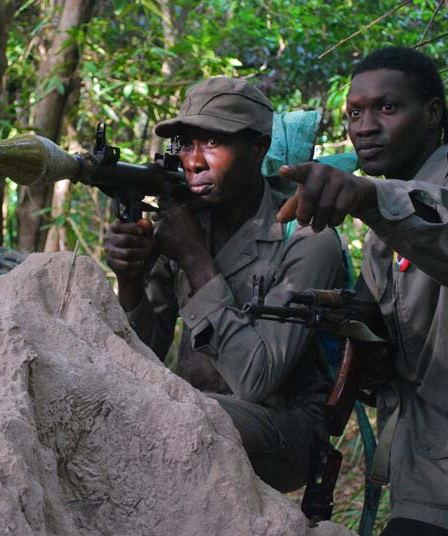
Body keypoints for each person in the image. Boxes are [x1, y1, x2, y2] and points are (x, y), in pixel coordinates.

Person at [277, 47, 448, 535]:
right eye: (355, 112)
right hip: (426, 478)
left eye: (387, 108)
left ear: (433, 114)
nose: (365, 126)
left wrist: (369, 196)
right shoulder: (385, 230)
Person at [104, 76, 346, 491]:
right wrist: (130, 281)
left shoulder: (306, 237)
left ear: (259, 148)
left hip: (285, 429)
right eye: (184, 144)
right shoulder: (183, 221)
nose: (193, 161)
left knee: (176, 417)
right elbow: (143, 353)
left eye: (213, 142)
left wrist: (195, 259)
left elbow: (257, 380)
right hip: (190, 411)